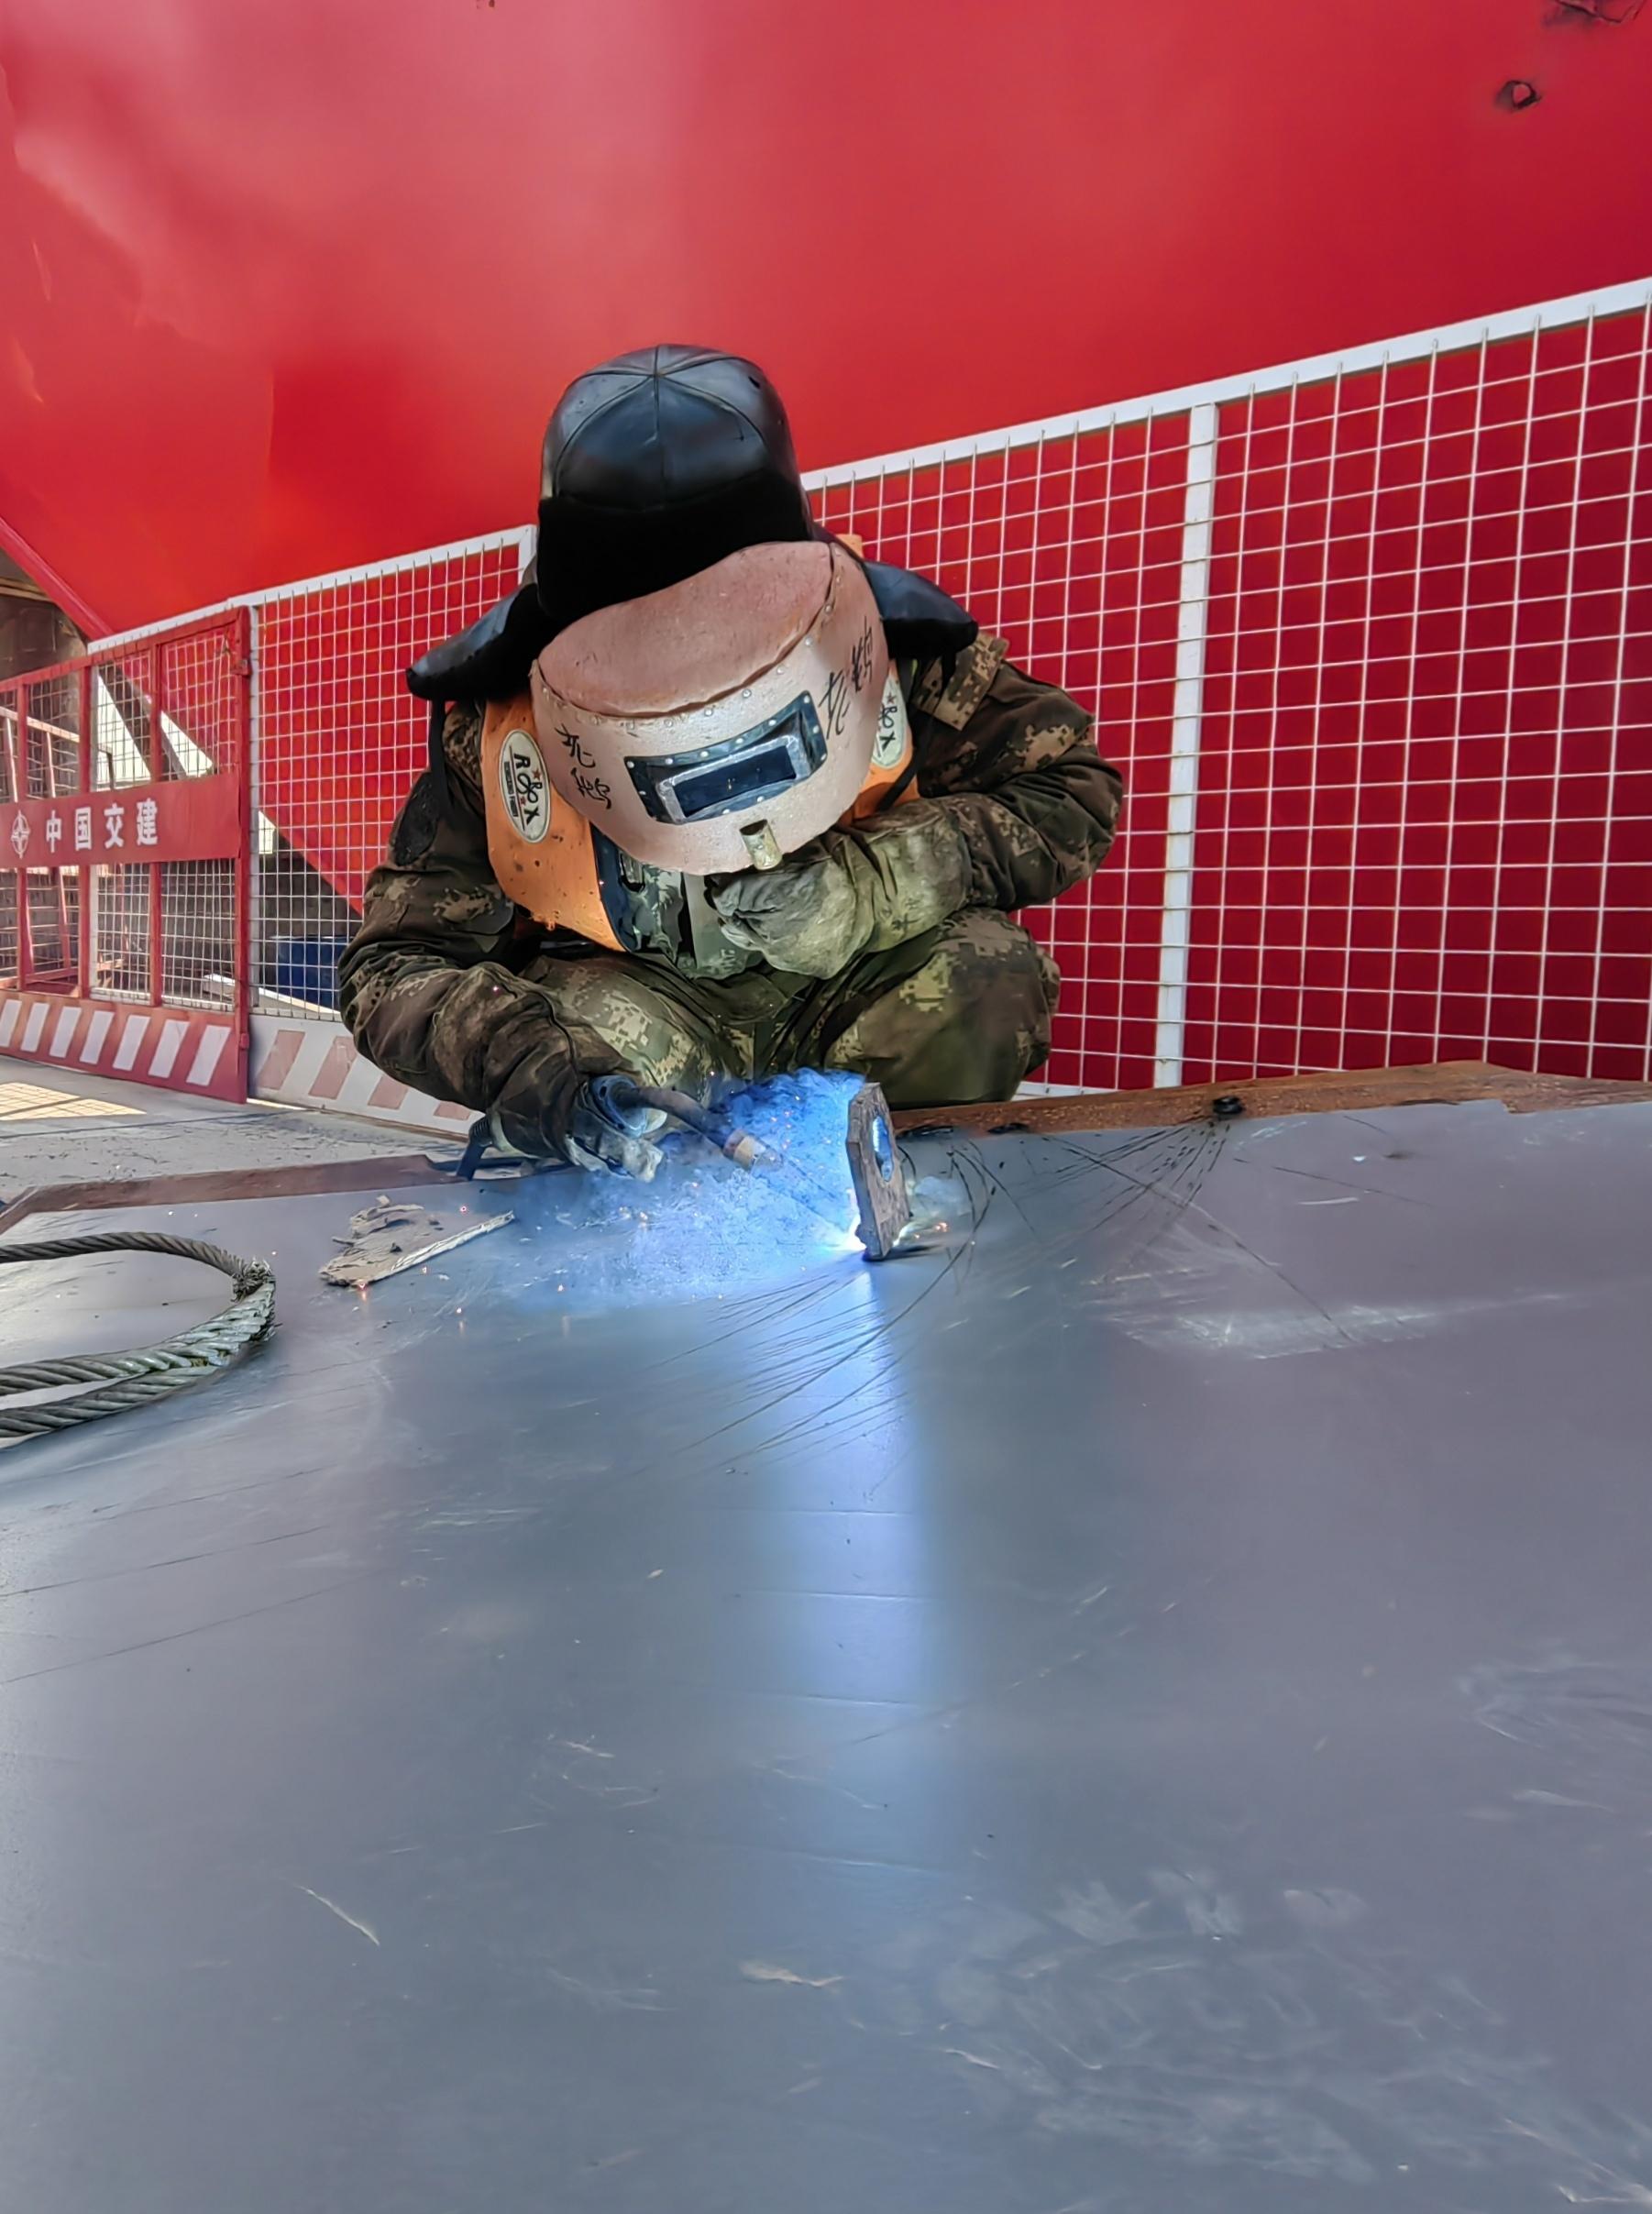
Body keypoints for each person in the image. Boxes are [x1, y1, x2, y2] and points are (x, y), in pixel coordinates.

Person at [339, 346, 1124, 1178]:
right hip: (648, 1014)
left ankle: (908, 1194)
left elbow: (1072, 793)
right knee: (586, 1056)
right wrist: (533, 1066)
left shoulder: (897, 656)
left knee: (983, 976)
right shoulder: (501, 736)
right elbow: (390, 966)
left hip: (857, 989)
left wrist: (872, 883)